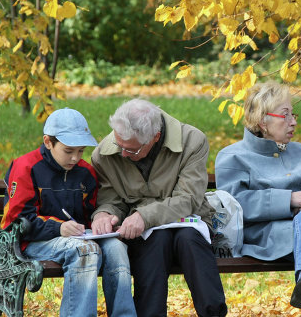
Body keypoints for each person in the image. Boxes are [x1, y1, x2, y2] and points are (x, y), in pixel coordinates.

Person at [215, 81, 301, 317]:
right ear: (262, 121)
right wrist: (289, 200)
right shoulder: (232, 156)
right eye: (285, 115)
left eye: (293, 114)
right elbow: (234, 204)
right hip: (266, 237)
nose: (294, 121)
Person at [90, 99, 227, 317]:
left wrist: (144, 216)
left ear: (154, 137)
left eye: (131, 150)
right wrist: (104, 214)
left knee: (188, 239)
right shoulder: (105, 154)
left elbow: (189, 199)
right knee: (155, 241)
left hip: (189, 221)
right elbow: (111, 198)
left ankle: (214, 313)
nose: (123, 154)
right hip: (144, 234)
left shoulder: (192, 140)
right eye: (119, 145)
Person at [1, 108, 136, 317]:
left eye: (81, 151)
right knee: (85, 251)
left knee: (117, 248)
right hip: (31, 243)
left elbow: (91, 213)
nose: (75, 158)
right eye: (68, 150)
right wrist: (59, 227)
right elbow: (18, 223)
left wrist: (103, 219)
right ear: (48, 142)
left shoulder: (85, 172)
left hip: (78, 239)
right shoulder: (26, 167)